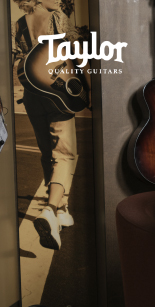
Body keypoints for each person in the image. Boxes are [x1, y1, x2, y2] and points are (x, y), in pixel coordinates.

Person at [14, 0, 78, 250]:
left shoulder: (17, 25)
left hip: (31, 94)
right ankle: (50, 211)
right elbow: (74, 53)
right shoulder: (58, 18)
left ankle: (62, 208)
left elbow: (15, 61)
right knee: (65, 153)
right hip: (57, 91)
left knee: (46, 153)